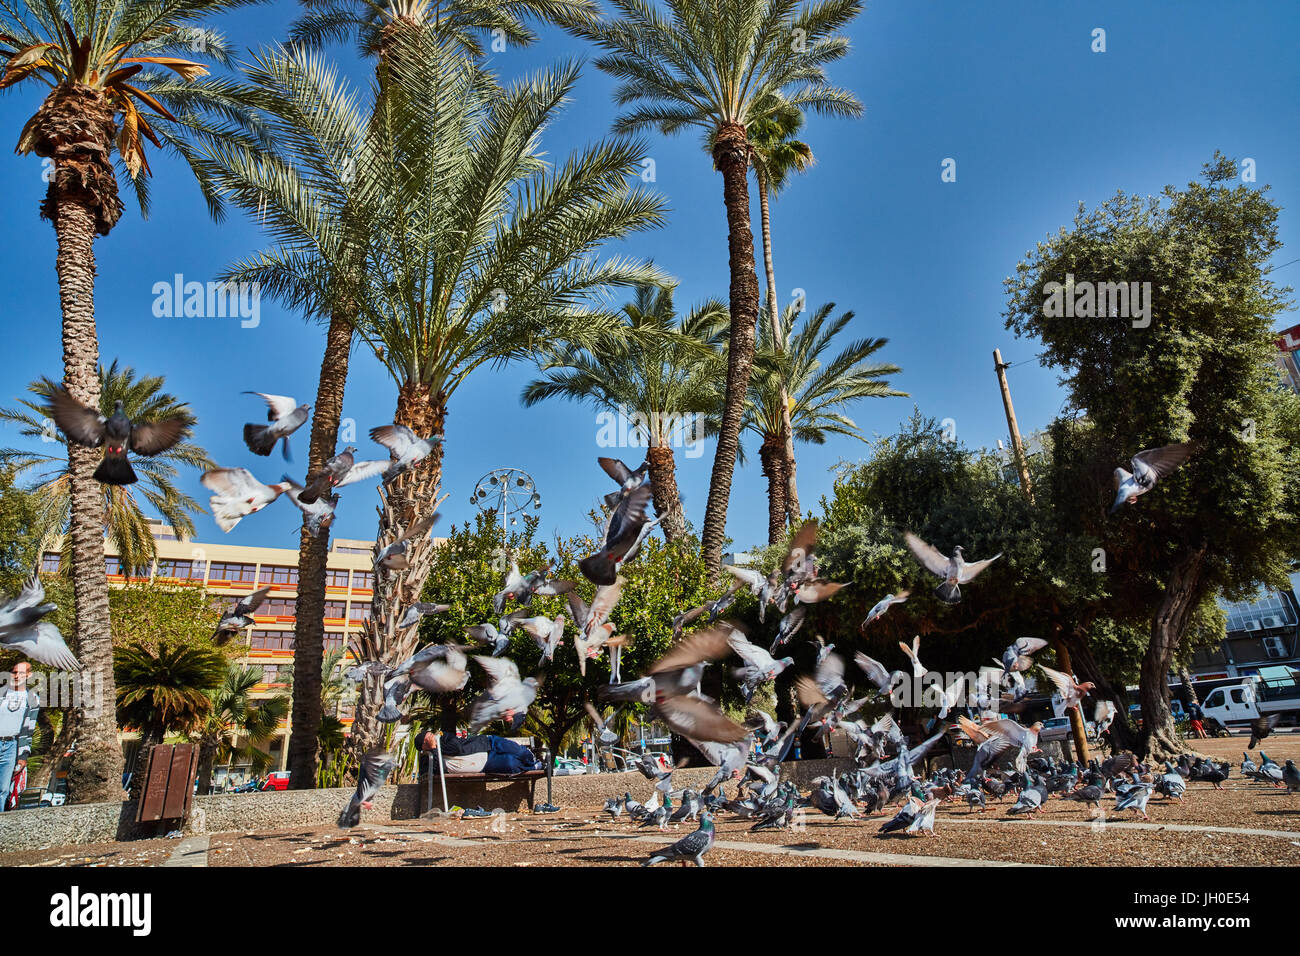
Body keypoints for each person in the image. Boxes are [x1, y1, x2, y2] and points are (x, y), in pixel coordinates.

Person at [412, 729, 542, 775]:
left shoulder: (444, 737)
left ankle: (533, 763)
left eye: (430, 735)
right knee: (510, 763)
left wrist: (438, 745)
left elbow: (457, 747)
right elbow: (437, 770)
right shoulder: (427, 758)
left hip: (486, 744)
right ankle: (532, 767)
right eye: (427, 739)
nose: (431, 738)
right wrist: (434, 750)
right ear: (424, 746)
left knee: (518, 751)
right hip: (485, 763)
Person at [0, 662, 39, 811]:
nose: (17, 676)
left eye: (21, 673)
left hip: (11, 746)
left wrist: (23, 756)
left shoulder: (32, 699)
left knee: (3, 789)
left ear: (28, 675)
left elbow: (29, 730)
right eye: (14, 672)